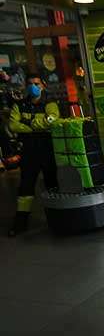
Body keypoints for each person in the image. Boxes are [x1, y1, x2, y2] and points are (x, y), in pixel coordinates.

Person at [7, 73, 59, 237]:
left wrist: (28, 124)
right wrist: (38, 126)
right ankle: (20, 223)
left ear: (43, 85)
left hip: (48, 150)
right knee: (25, 187)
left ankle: (57, 220)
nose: (33, 87)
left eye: (36, 83)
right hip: (29, 153)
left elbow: (52, 120)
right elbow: (13, 125)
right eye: (30, 84)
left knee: (53, 186)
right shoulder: (19, 105)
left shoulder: (50, 104)